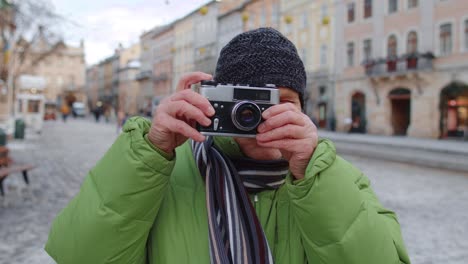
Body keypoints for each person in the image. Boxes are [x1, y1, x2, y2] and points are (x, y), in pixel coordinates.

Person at [45, 28, 410, 264]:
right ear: (220, 103)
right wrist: (149, 154)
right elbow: (80, 255)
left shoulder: (331, 177)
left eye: (283, 102)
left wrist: (315, 175)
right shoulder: (167, 170)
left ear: (303, 108)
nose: (263, 116)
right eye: (249, 103)